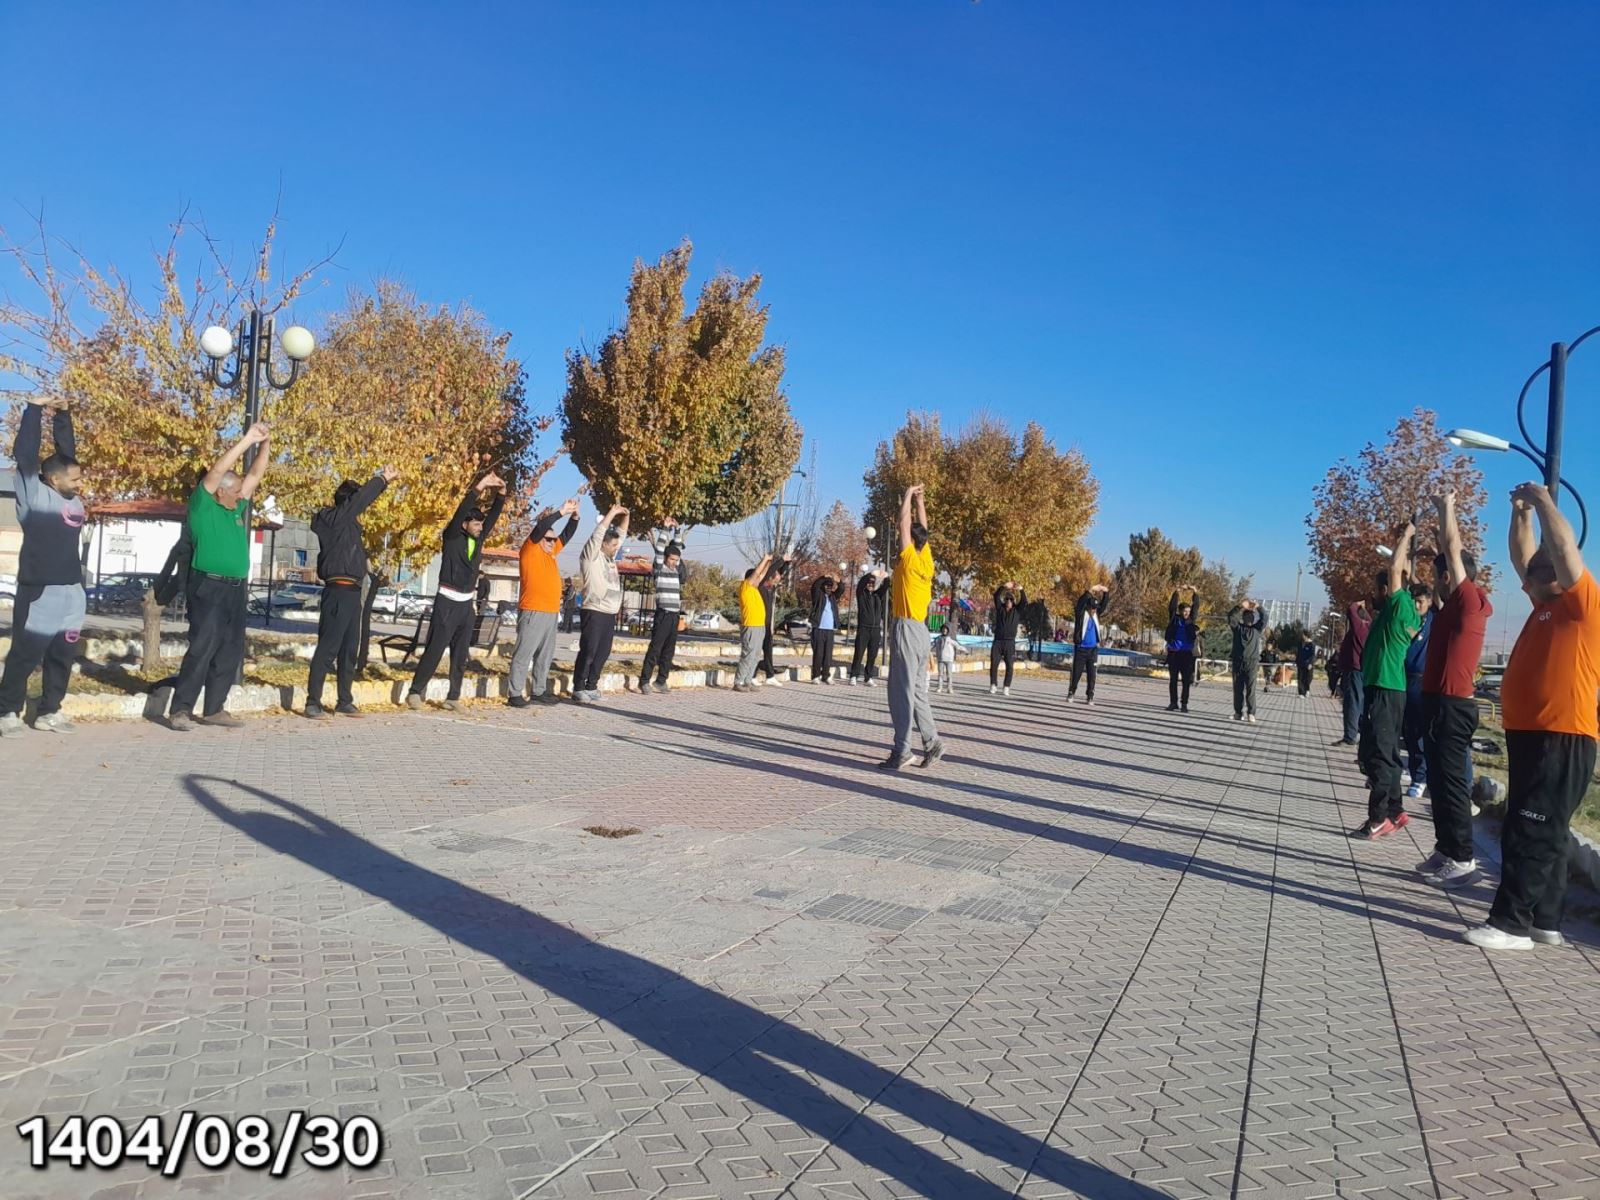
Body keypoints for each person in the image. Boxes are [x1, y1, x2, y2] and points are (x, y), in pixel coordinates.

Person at [1465, 483, 1600, 950]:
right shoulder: (1543, 605)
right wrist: (1520, 513)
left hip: (1562, 734)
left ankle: (1511, 925)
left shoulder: (1582, 604)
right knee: (1546, 829)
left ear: (1560, 574)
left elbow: (1561, 549)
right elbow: (1523, 554)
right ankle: (1545, 920)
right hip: (1531, 734)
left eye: (1540, 567)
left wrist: (1543, 501)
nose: (1528, 571)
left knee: (1530, 826)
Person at [163, 423, 273, 731]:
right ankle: (181, 710)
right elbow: (217, 470)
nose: (241, 494)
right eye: (235, 490)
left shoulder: (234, 510)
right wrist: (247, 439)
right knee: (202, 647)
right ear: (220, 490)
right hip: (208, 586)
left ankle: (214, 709)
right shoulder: (202, 507)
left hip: (235, 589)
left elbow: (256, 475)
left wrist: (265, 444)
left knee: (229, 650)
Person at [1419, 490, 1492, 890]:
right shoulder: (1451, 607)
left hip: (1452, 706)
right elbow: (1445, 552)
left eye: (1437, 576)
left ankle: (1463, 859)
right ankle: (1447, 850)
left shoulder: (1469, 602)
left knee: (1451, 786)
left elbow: (1452, 546)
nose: (1433, 583)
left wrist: (1446, 508)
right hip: (1437, 704)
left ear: (1450, 577)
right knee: (1438, 783)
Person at [0, 397, 86, 736]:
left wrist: (63, 415)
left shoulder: (72, 497)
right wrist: (35, 410)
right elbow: (26, 454)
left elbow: (67, 454)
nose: (79, 484)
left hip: (72, 589)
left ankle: (49, 711)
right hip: (40, 589)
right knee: (25, 654)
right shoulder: (33, 494)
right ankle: (7, 712)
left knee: (63, 653)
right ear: (52, 479)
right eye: (74, 480)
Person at [1353, 518, 1430, 839]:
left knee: (1380, 757)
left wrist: (1407, 534)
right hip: (1386, 689)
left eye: (1377, 590)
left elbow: (1396, 568)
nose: (1374, 595)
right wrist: (1405, 547)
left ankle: (1378, 818)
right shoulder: (1400, 612)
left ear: (1388, 591)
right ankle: (1396, 811)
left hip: (1386, 689)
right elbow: (1404, 571)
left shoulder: (1399, 608)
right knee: (1382, 754)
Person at [405, 471, 506, 712]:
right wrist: (480, 486)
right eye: (476, 523)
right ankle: (415, 692)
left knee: (460, 654)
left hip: (466, 605)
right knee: (435, 649)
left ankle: (453, 697)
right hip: (447, 602)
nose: (480, 527)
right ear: (464, 524)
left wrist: (501, 494)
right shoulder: (451, 537)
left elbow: (493, 517)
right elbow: (461, 510)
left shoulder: (478, 539)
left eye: (481, 524)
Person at [304, 466, 395, 719]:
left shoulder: (350, 526)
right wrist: (382, 479)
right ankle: (313, 702)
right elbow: (361, 499)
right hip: (338, 591)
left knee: (349, 650)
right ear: (348, 501)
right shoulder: (333, 520)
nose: (361, 509)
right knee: (328, 648)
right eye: (355, 503)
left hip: (354, 593)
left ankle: (344, 700)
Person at [881, 484, 943, 770]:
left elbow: (904, 523)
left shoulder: (907, 560)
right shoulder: (926, 560)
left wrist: (907, 495)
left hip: (906, 628)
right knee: (917, 691)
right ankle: (933, 742)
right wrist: (921, 501)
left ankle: (902, 751)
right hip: (922, 631)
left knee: (900, 692)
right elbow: (922, 528)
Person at [508, 498, 581, 707]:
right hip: (533, 610)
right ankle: (514, 693)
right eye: (548, 539)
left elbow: (566, 535)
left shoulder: (551, 552)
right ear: (540, 539)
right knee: (524, 653)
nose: (552, 542)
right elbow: (541, 527)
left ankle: (539, 691)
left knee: (545, 655)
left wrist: (575, 517)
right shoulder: (530, 550)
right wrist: (561, 512)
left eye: (553, 539)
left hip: (551, 612)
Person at [570, 503, 629, 703]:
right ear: (603, 544)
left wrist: (626, 515)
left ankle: (592, 686)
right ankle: (578, 688)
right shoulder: (591, 556)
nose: (615, 548)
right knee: (589, 650)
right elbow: (598, 533)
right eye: (612, 545)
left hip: (609, 612)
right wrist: (611, 513)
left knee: (603, 652)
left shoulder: (611, 558)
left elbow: (621, 534)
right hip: (594, 610)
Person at [638, 517, 686, 695]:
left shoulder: (675, 570)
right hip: (663, 614)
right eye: (671, 559)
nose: (674, 562)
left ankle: (661, 680)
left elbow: (678, 547)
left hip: (674, 615)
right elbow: (659, 548)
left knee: (668, 651)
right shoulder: (660, 569)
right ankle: (644, 681)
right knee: (655, 649)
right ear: (665, 558)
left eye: (676, 560)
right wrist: (665, 529)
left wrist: (678, 530)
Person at [1401, 599, 1435, 797]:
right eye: (1413, 601)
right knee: (1409, 731)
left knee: (1421, 732)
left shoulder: (1433, 620)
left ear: (1429, 602)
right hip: (1405, 679)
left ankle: (1421, 777)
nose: (1416, 605)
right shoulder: (1410, 620)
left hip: (1423, 681)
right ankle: (1414, 772)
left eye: (1420, 601)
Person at [733, 552, 775, 692]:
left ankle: (748, 680)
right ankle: (738, 681)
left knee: (756, 655)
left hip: (759, 626)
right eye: (756, 578)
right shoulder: (745, 587)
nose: (759, 580)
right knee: (748, 654)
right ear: (750, 578)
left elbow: (762, 574)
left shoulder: (755, 589)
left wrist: (769, 562)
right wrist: (764, 559)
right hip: (750, 625)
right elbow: (757, 572)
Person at [1333, 600, 1371, 746]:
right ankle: (1359, 733)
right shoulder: (1369, 627)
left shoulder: (1361, 628)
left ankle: (1350, 736)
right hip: (1359, 670)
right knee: (1359, 703)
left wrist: (1357, 604)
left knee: (1352, 703)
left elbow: (1351, 610)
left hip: (1354, 670)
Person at [1066, 584, 1109, 704]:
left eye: (1095, 608)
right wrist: (1090, 590)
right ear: (1087, 607)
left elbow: (1104, 605)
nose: (1093, 610)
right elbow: (1080, 602)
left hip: (1093, 649)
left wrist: (1105, 592)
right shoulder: (1080, 614)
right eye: (1091, 608)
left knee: (1092, 674)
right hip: (1081, 649)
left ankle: (1090, 696)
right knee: (1076, 673)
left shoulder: (1096, 615)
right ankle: (1071, 692)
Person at [758, 549, 794, 686]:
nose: (775, 584)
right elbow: (770, 571)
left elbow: (779, 573)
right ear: (769, 579)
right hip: (759, 624)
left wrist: (787, 564)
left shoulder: (770, 588)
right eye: (774, 581)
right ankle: (753, 675)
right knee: (756, 651)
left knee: (768, 649)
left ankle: (770, 675)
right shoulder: (761, 586)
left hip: (767, 625)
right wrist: (781, 560)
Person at [1227, 600, 1266, 723]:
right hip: (1238, 662)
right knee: (1238, 689)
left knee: (1250, 689)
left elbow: (1264, 618)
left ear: (1253, 619)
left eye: (1251, 617)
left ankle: (1251, 713)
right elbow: (1231, 617)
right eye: (1246, 616)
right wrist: (1239, 606)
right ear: (1243, 618)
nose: (1249, 619)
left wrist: (1258, 607)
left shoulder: (1257, 629)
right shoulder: (1237, 628)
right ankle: (1238, 713)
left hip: (1252, 663)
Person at [848, 570, 888, 686]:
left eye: (872, 584)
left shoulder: (877, 595)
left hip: (875, 629)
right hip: (864, 628)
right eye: (869, 583)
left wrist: (886, 577)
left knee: (872, 654)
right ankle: (854, 676)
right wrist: (872, 574)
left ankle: (868, 677)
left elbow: (885, 586)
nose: (870, 585)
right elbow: (861, 583)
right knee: (859, 653)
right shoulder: (861, 594)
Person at [1164, 585, 1201, 712]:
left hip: (1186, 654)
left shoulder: (1190, 621)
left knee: (1186, 681)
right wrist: (1177, 592)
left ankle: (1184, 704)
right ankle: (1173, 703)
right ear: (1180, 611)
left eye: (1188, 612)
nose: (1187, 613)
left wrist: (1195, 592)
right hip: (1174, 654)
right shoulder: (1174, 619)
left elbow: (1196, 607)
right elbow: (1172, 607)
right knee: (1173, 680)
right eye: (1185, 611)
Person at [990, 581, 1024, 695]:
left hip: (1010, 643)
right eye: (1007, 599)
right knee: (994, 664)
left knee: (1010, 665)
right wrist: (1004, 587)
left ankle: (1006, 686)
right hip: (998, 641)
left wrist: (1020, 589)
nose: (1008, 601)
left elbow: (1024, 602)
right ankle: (993, 684)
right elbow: (996, 596)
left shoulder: (1017, 611)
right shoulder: (1000, 609)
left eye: (1011, 600)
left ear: (1013, 602)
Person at [808, 575, 840, 683]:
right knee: (818, 654)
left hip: (830, 630)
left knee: (828, 655)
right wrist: (823, 577)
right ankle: (815, 676)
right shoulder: (818, 595)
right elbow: (815, 586)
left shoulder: (833, 597)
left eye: (831, 586)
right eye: (827, 585)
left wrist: (839, 581)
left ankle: (826, 676)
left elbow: (841, 589)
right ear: (823, 586)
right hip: (819, 628)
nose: (829, 587)